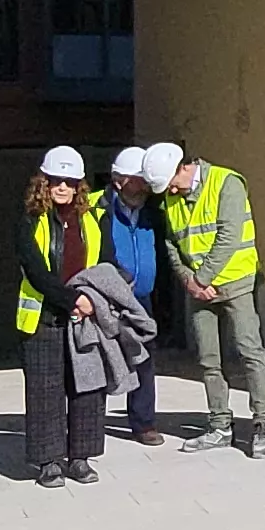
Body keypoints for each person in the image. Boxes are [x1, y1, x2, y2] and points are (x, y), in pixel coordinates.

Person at [152, 141, 265, 456]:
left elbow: (228, 235)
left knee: (250, 351)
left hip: (236, 280)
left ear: (182, 167)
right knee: (209, 360)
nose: (172, 192)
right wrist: (189, 282)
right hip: (199, 289)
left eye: (171, 184)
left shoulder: (226, 183)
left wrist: (201, 278)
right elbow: (171, 243)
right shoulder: (171, 198)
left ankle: (263, 424)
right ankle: (220, 425)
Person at [18, 148, 122, 486]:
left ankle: (80, 457)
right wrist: (71, 299)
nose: (62, 187)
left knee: (88, 389)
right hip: (45, 317)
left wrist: (90, 300)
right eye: (55, 181)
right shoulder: (30, 219)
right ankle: (49, 461)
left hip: (86, 315)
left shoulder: (95, 218)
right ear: (43, 182)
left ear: (80, 185)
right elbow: (35, 270)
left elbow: (105, 264)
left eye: (69, 181)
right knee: (45, 390)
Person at [104, 148, 172, 443]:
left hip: (142, 299)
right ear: (119, 181)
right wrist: (117, 277)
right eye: (138, 180)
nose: (145, 187)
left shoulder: (153, 213)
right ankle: (89, 422)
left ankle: (143, 423)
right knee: (100, 361)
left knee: (143, 359)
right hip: (105, 298)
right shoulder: (97, 209)